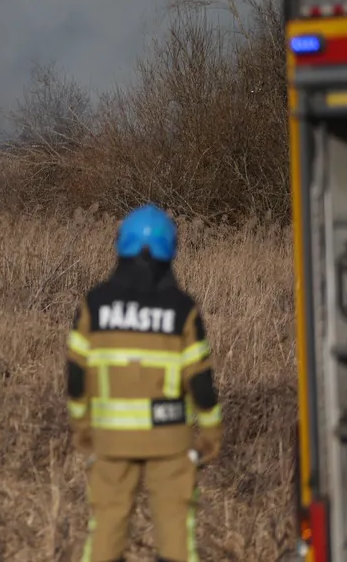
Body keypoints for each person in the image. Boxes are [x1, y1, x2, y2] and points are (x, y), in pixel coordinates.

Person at [65, 203, 223, 562]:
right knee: (176, 533)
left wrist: (81, 427)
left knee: (106, 528)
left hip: (111, 440)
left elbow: (76, 378)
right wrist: (211, 434)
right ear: (171, 249)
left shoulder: (94, 304)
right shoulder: (183, 309)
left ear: (122, 245)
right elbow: (201, 384)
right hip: (170, 441)